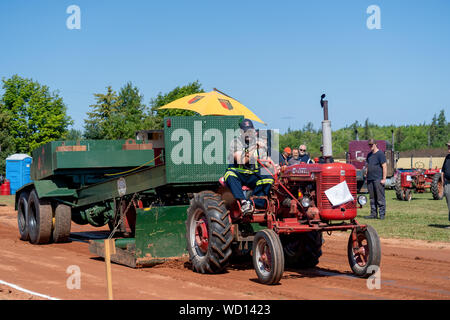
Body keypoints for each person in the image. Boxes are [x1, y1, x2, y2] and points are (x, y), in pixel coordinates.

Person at [224, 119, 274, 215]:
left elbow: (266, 160)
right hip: (238, 174)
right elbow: (241, 160)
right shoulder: (235, 143)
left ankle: (253, 204)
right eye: (245, 131)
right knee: (229, 175)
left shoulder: (259, 143)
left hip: (252, 174)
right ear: (241, 132)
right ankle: (243, 203)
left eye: (250, 131)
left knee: (268, 177)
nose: (248, 133)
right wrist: (254, 146)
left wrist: (275, 166)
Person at [364, 139, 387, 220]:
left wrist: (384, 179)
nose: (370, 146)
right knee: (372, 198)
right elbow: (367, 165)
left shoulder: (380, 154)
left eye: (371, 144)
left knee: (380, 198)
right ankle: (373, 214)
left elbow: (384, 166)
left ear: (376, 144)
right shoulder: (369, 155)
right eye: (369, 145)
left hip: (378, 179)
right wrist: (366, 175)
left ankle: (382, 214)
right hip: (370, 179)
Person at [441, 141, 450, 228]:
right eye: (448, 147)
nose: (448, 148)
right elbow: (443, 170)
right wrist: (443, 182)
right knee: (449, 203)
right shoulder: (447, 158)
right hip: (447, 183)